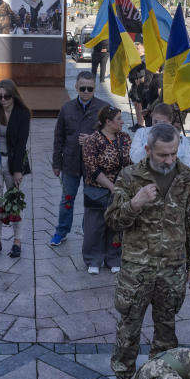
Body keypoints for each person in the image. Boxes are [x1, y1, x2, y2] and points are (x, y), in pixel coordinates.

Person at [105, 122, 190, 379]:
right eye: (162, 154)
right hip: (137, 270)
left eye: (174, 153)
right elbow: (113, 220)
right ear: (148, 149)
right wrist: (135, 203)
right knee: (128, 329)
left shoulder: (187, 177)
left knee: (166, 330)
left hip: (172, 269)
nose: (169, 159)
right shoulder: (129, 176)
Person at [50, 71, 108, 246]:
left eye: (89, 88)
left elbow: (112, 136)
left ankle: (88, 232)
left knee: (92, 200)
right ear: (76, 87)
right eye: (82, 87)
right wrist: (56, 163)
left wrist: (92, 138)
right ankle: (62, 231)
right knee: (67, 199)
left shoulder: (103, 109)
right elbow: (58, 137)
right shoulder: (66, 108)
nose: (85, 91)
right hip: (70, 162)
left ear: (94, 89)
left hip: (94, 166)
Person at [81, 106, 130, 274]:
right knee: (95, 226)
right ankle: (93, 259)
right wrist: (111, 187)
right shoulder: (92, 140)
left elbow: (130, 162)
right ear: (108, 122)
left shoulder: (124, 138)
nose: (122, 122)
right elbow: (92, 169)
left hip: (120, 188)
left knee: (115, 225)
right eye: (119, 118)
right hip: (98, 189)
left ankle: (113, 257)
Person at [0, 79, 31, 259]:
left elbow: (21, 144)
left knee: (15, 202)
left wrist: (17, 170)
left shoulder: (23, 114)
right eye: (0, 96)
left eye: (7, 96)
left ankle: (17, 242)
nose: (3, 100)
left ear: (14, 95)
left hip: (14, 163)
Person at [129, 103, 190, 172]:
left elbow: (189, 165)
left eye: (163, 123)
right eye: (155, 122)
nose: (158, 126)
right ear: (152, 117)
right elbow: (134, 158)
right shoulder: (141, 133)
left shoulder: (181, 139)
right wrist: (150, 142)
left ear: (170, 122)